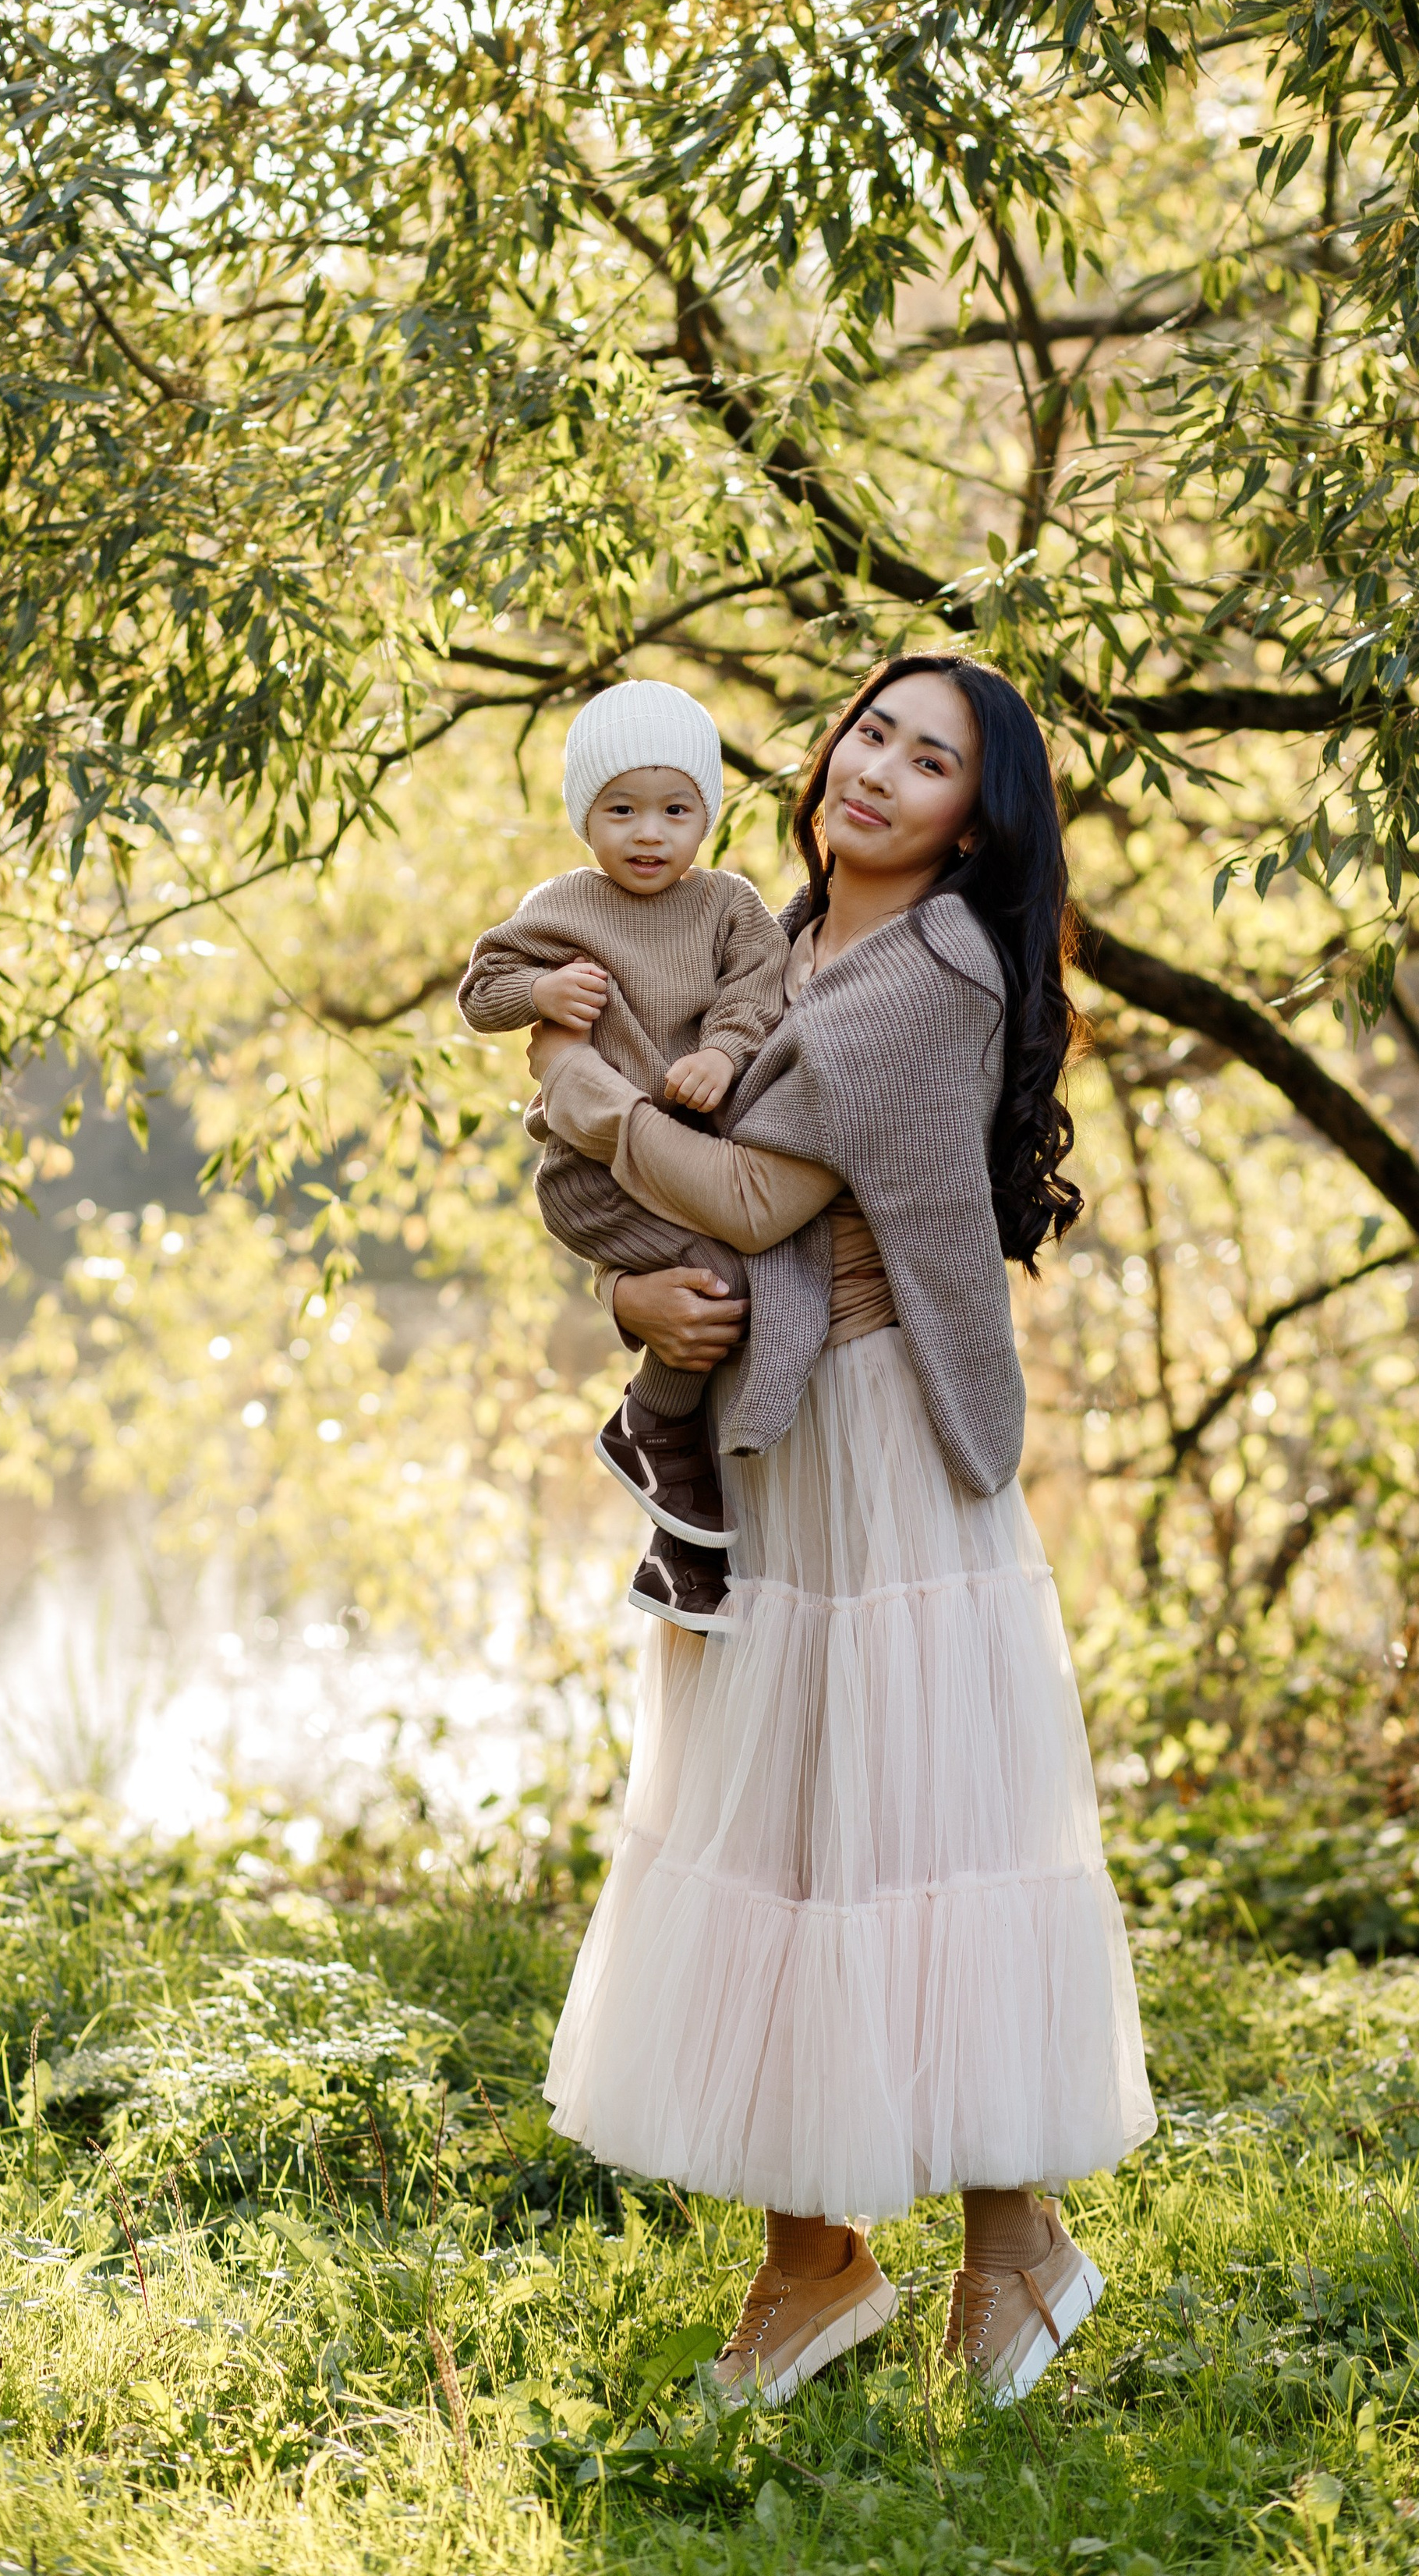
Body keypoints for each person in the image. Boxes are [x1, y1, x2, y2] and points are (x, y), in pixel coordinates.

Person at [525, 657, 1155, 2409]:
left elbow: (749, 1193)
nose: (876, 769)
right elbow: (694, 1231)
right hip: (781, 1431)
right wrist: (634, 1294)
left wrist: (572, 1089)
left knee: (889, 1834)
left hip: (874, 1436)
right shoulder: (771, 930)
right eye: (870, 729)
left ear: (977, 816)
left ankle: (922, 2258)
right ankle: (857, 2260)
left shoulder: (924, 972)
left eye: (929, 759)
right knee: (817, 1832)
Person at [457, 679, 788, 1632]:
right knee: (719, 1277)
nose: (649, 834)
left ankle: (679, 1558)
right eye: (622, 810)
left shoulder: (729, 906)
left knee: (719, 1300)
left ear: (706, 817)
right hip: (594, 1176)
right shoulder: (564, 905)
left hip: (682, 1160)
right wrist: (544, 992)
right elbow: (481, 992)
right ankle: (648, 1417)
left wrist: (721, 1053)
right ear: (585, 818)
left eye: (675, 810)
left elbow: (761, 988)